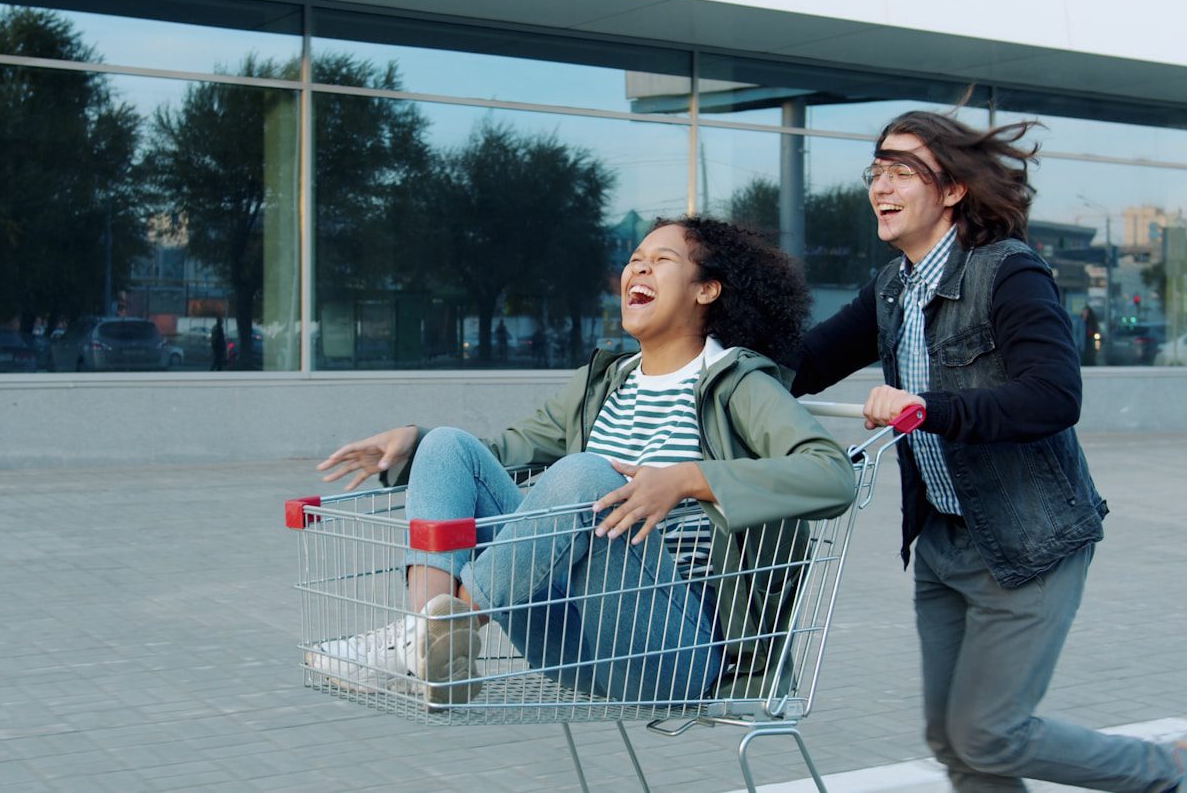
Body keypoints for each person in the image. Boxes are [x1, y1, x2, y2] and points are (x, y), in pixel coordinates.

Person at [790, 110, 1187, 793]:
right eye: (877, 170)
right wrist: (702, 363)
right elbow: (805, 363)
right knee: (954, 740)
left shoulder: (1008, 272)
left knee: (990, 733)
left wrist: (928, 409)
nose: (880, 186)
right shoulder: (893, 286)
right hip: (943, 544)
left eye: (902, 171)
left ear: (953, 189)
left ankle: (1169, 771)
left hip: (1028, 541)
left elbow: (1053, 396)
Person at [312, 216, 856, 707]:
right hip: (574, 638)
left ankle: (425, 638)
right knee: (446, 445)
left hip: (676, 650)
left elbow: (831, 473)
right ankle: (427, 649)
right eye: (634, 260)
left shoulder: (739, 385)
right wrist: (413, 443)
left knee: (587, 475)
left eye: (662, 260)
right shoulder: (602, 385)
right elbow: (492, 459)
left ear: (706, 290)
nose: (638, 269)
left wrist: (689, 480)